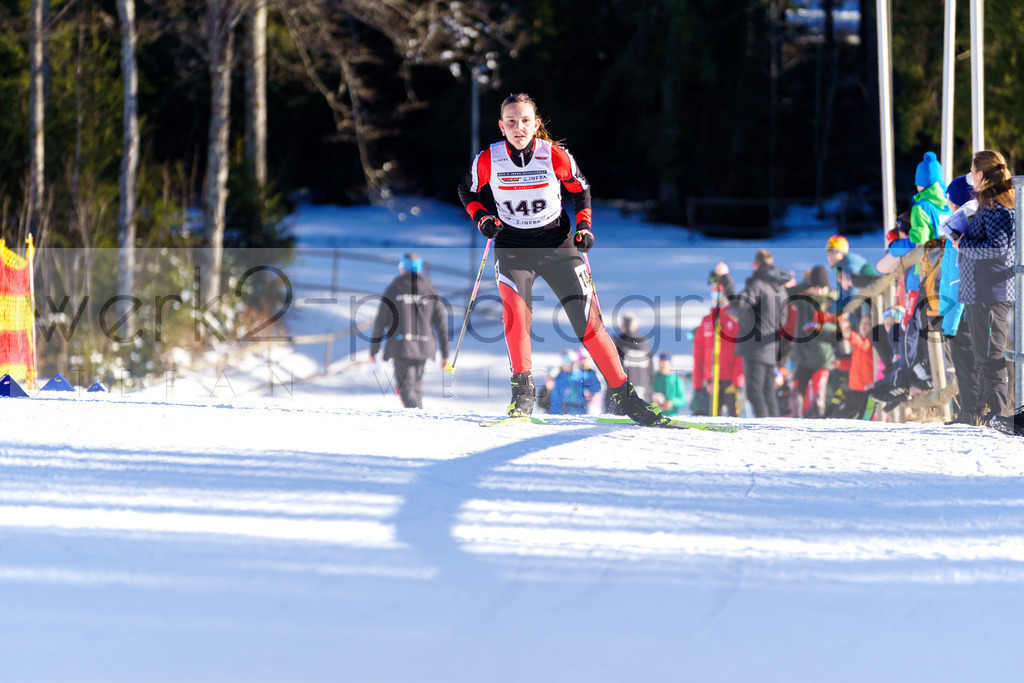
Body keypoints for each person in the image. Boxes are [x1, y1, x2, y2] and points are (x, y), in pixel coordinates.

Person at [457, 92, 666, 425]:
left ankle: (627, 399)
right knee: (515, 318)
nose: (518, 127)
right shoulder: (488, 160)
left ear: (536, 124)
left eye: (525, 120)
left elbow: (580, 190)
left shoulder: (554, 155)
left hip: (558, 246)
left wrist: (584, 226)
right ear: (501, 126)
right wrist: (482, 217)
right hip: (513, 248)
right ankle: (522, 397)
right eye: (511, 121)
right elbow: (466, 190)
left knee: (588, 324)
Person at [950, 150, 1016, 425]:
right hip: (981, 290)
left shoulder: (995, 206)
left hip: (992, 291)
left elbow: (999, 247)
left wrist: (962, 244)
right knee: (982, 352)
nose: (970, 175)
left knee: (990, 353)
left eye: (973, 169)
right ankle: (983, 412)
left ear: (982, 175)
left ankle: (999, 414)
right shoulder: (988, 205)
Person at [369, 252, 449, 408]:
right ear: (419, 270)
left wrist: (374, 349)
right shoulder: (430, 290)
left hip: (401, 346)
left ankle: (416, 417)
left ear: (402, 269)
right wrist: (445, 353)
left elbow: (381, 321)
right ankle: (418, 414)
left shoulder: (394, 289)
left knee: (406, 388)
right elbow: (441, 324)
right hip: (423, 347)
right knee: (416, 387)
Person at [717, 251, 792, 418]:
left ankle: (764, 426)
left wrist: (725, 277)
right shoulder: (780, 289)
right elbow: (781, 319)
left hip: (755, 346)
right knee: (768, 391)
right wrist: (746, 319)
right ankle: (775, 425)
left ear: (755, 265)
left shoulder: (758, 284)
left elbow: (737, 303)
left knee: (754, 391)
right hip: (771, 346)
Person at [787, 265, 837, 418]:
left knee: (818, 396)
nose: (818, 291)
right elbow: (788, 293)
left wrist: (820, 327)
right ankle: (796, 422)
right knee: (797, 392)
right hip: (803, 356)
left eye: (821, 287)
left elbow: (839, 328)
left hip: (823, 357)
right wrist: (807, 284)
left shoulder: (832, 302)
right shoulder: (804, 301)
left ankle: (819, 427)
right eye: (815, 287)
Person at [692, 277, 744, 416]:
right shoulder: (706, 320)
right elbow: (698, 352)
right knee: (713, 413)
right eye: (715, 295)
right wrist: (698, 382)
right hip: (712, 377)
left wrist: (738, 379)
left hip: (730, 377)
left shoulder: (734, 319)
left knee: (733, 413)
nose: (718, 299)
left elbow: (741, 351)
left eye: (721, 295)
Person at [603, 312, 654, 414]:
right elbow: (651, 374)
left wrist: (608, 402)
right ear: (636, 326)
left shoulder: (618, 347)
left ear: (622, 327)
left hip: (623, 396)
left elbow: (611, 372)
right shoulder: (645, 347)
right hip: (643, 395)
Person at [824, 234, 879, 318]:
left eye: (833, 252)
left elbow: (853, 295)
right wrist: (830, 308)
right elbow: (843, 297)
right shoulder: (838, 267)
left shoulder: (848, 263)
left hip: (873, 298)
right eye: (828, 253)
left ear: (842, 253)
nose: (829, 256)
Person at [548, 349, 602, 415]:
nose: (572, 364)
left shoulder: (583, 375)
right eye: (568, 361)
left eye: (574, 361)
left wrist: (589, 391)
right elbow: (555, 400)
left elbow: (596, 387)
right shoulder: (559, 378)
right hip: (565, 413)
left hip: (582, 412)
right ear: (563, 363)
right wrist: (553, 415)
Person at [651, 352, 687, 417]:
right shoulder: (653, 379)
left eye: (664, 363)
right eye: (660, 363)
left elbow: (683, 400)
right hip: (654, 416)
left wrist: (672, 402)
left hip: (672, 417)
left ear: (670, 364)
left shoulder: (676, 380)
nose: (662, 365)